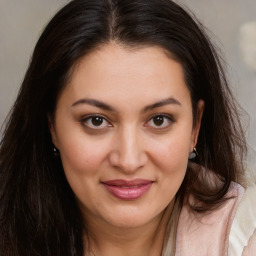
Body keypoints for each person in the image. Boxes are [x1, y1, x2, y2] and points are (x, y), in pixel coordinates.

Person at [0, 0, 255, 255]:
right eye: (96, 121)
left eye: (159, 120)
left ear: (195, 126)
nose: (128, 160)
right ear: (52, 125)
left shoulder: (245, 238)